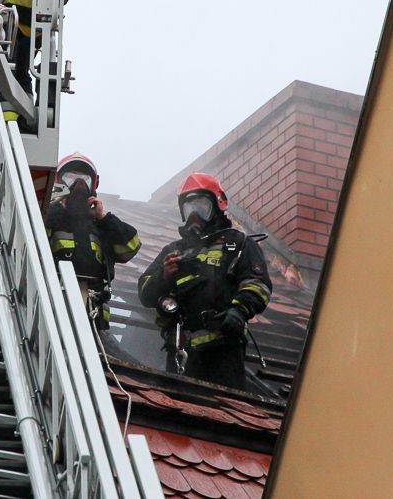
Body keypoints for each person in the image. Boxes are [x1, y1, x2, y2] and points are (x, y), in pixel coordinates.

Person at [137, 173, 272, 390]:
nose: (194, 214)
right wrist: (163, 276)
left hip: (223, 348)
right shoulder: (173, 251)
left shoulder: (238, 244)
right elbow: (144, 293)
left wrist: (239, 311)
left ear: (218, 205)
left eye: (201, 205)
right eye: (189, 207)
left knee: (227, 409)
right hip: (181, 351)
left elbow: (258, 284)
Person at [44, 153, 141, 330]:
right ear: (59, 181)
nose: (78, 184)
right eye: (71, 178)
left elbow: (130, 247)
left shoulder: (102, 225)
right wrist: (55, 209)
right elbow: (31, 243)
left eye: (84, 179)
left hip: (93, 316)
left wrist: (104, 218)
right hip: (52, 308)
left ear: (93, 184)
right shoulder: (48, 218)